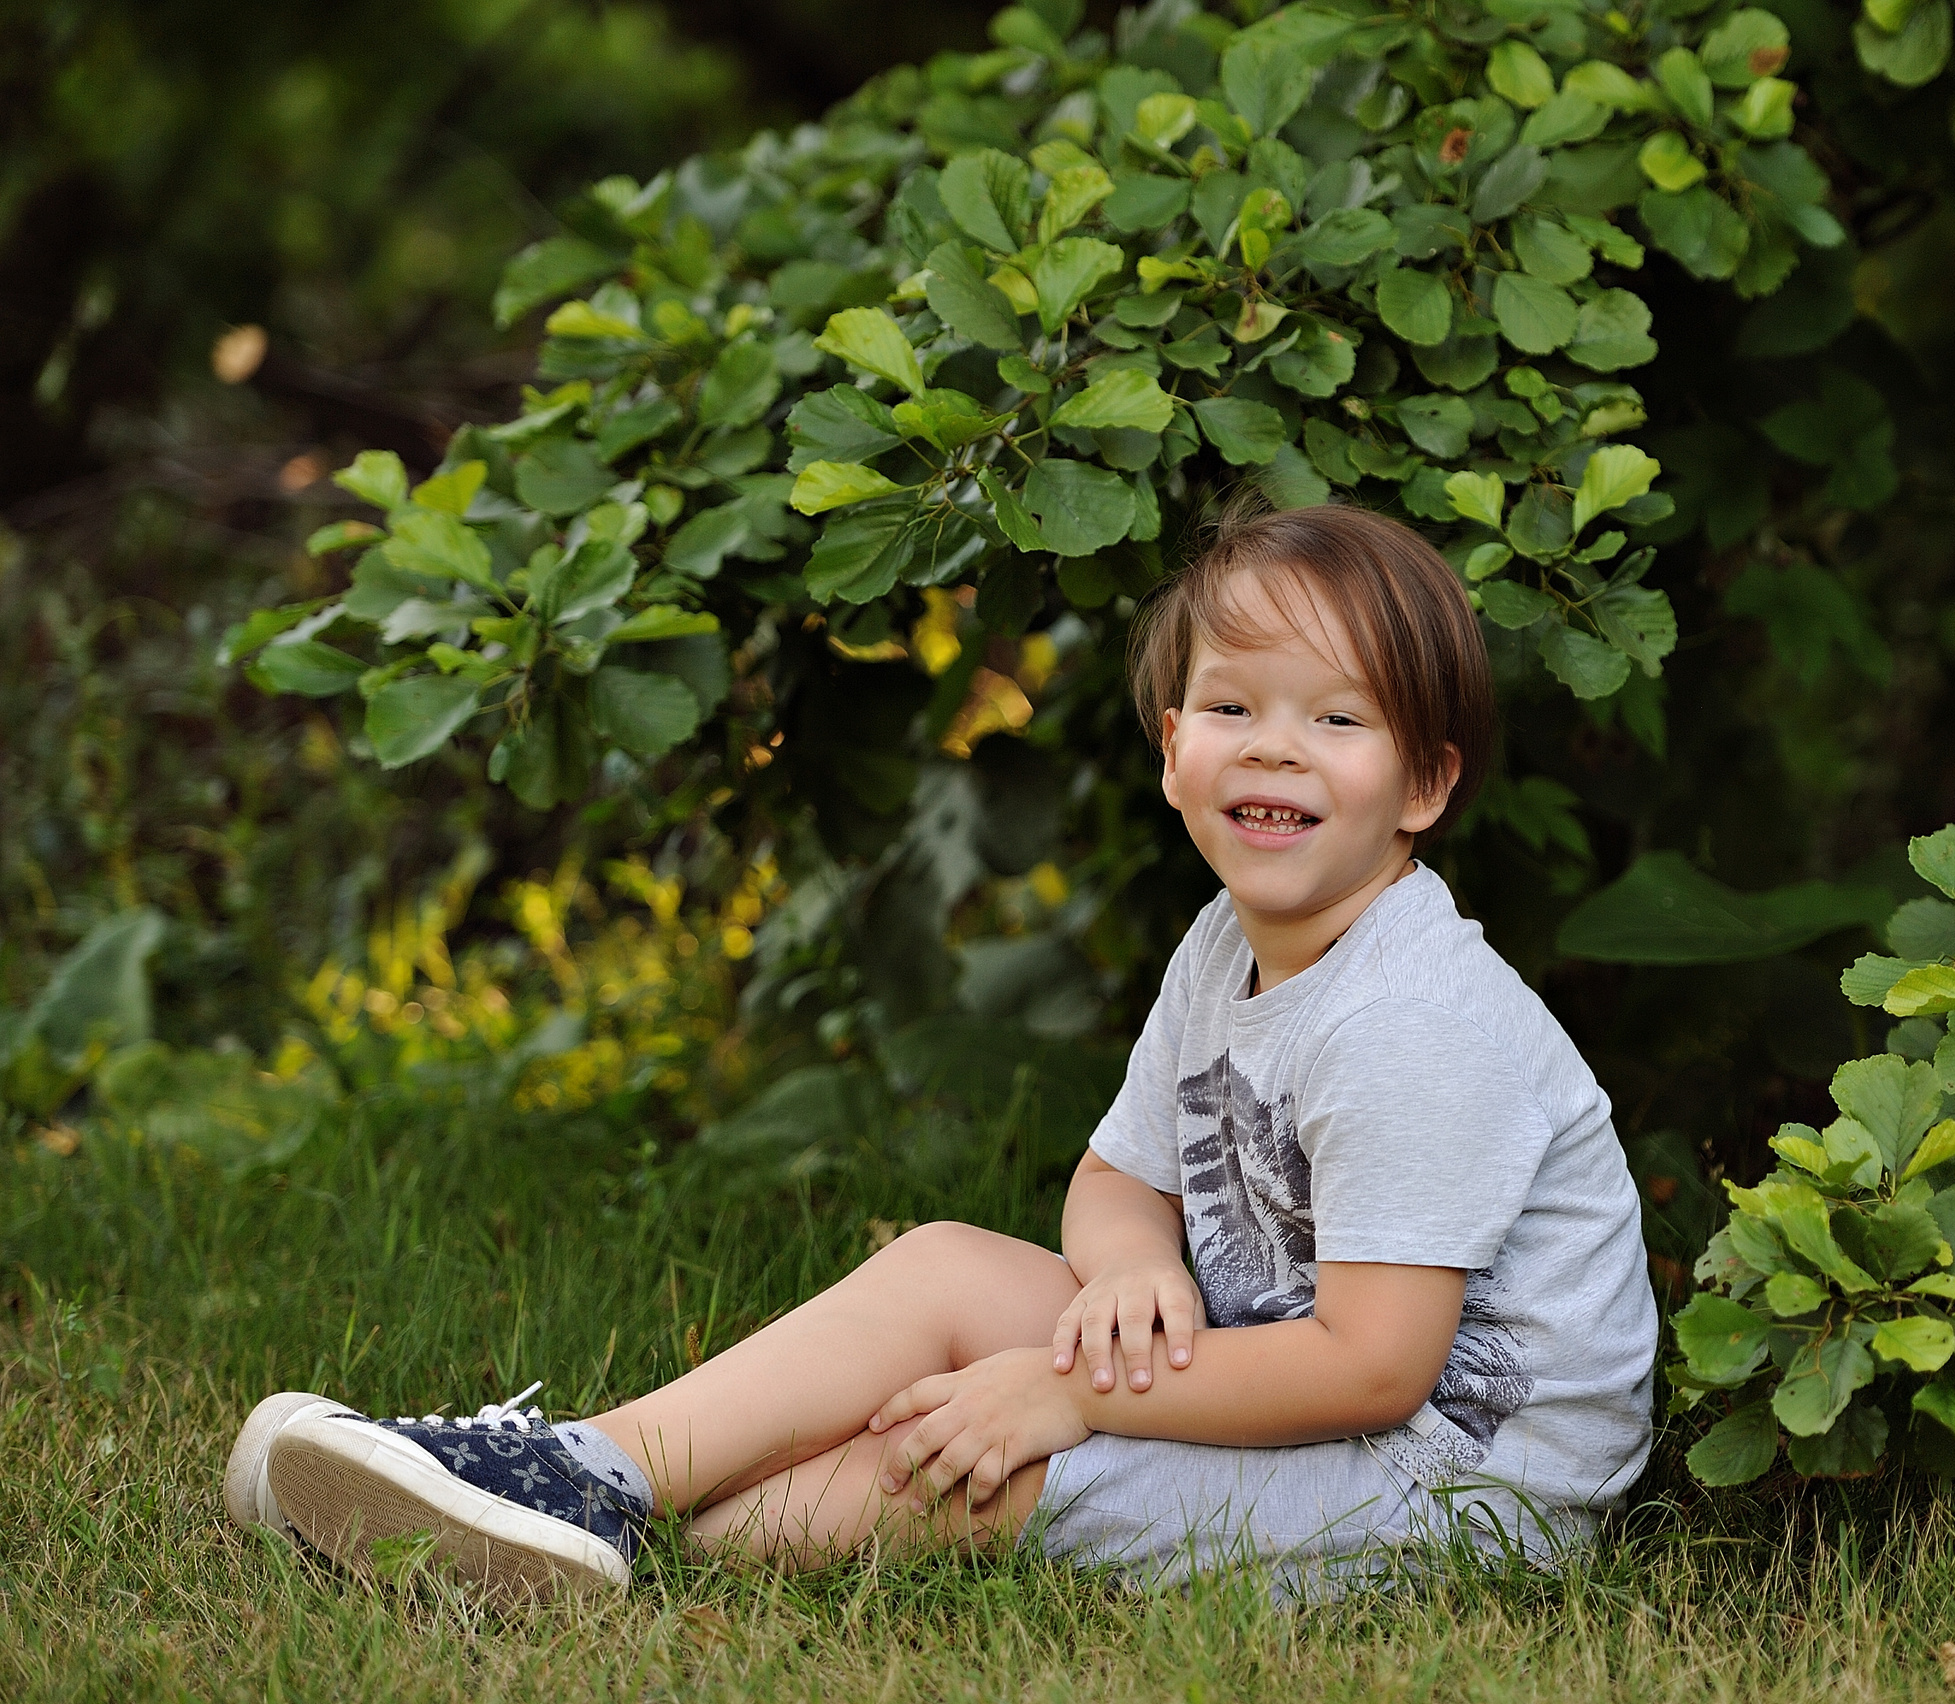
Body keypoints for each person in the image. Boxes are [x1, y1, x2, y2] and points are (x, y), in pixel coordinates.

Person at [223, 502, 1658, 1599]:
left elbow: (1371, 1372)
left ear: (1423, 784)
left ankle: (566, 1563)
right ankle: (589, 1471)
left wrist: (1069, 1390)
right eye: (1234, 708)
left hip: (1451, 1485)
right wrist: (1138, 1267)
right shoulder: (1229, 942)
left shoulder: (1418, 1017)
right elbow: (1112, 1178)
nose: (1273, 750)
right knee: (945, 1268)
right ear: (1172, 749)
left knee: (946, 1462)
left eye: (1337, 720)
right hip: (1284, 1376)